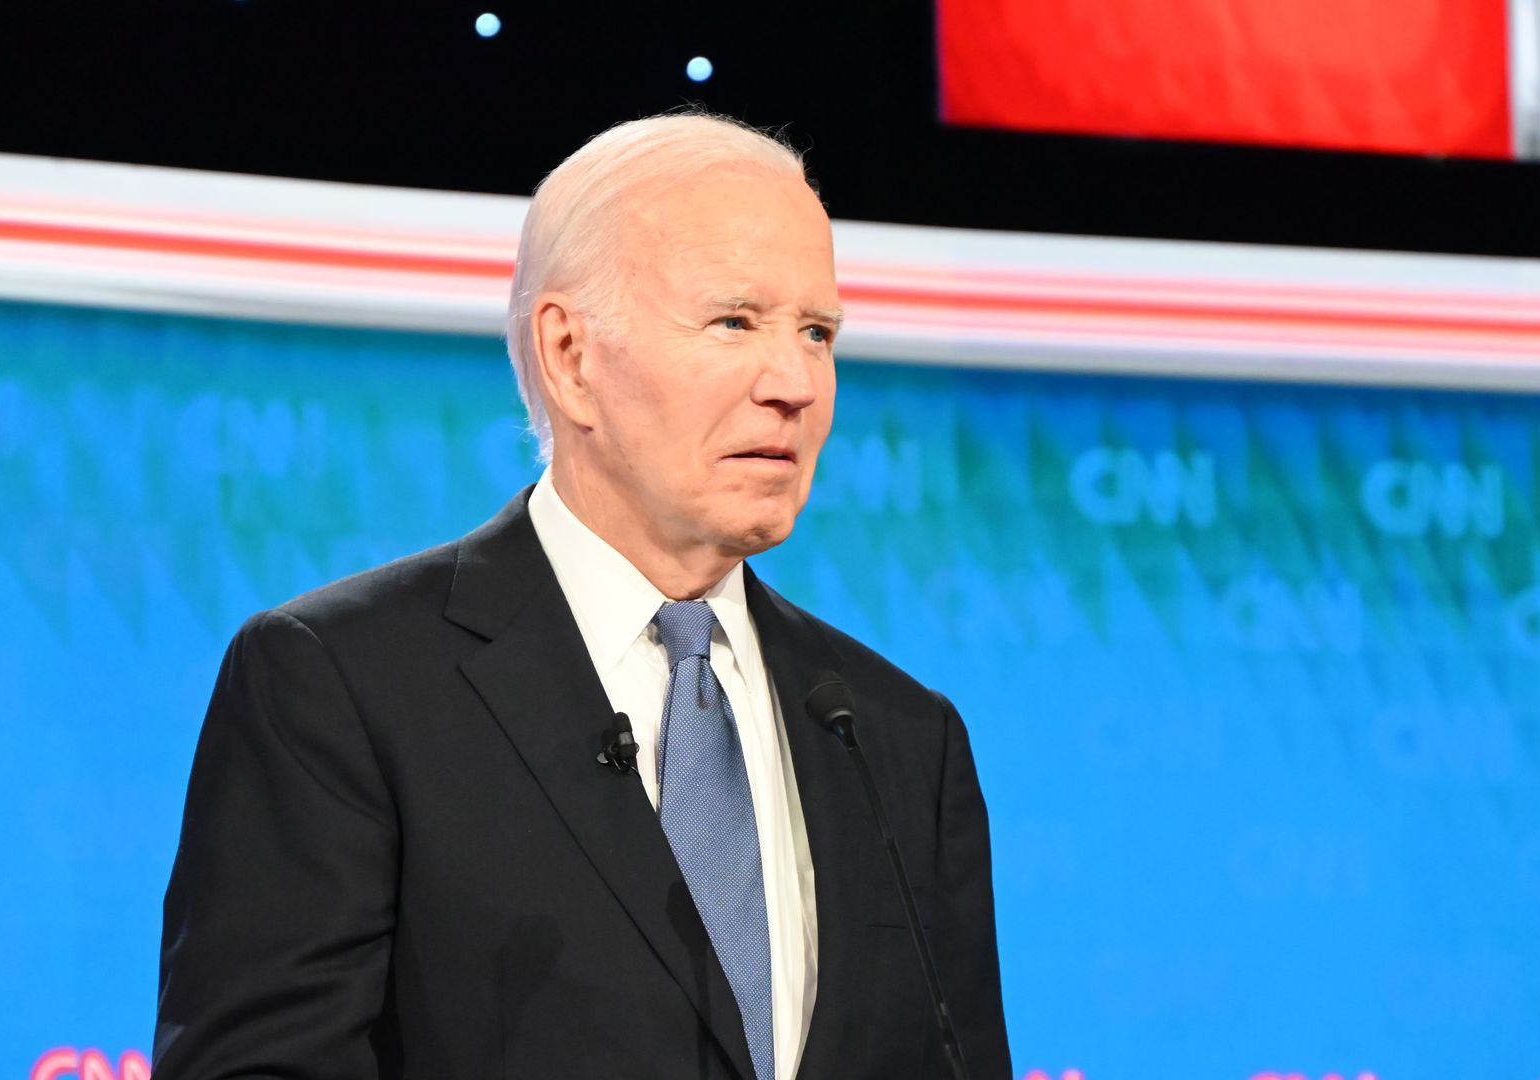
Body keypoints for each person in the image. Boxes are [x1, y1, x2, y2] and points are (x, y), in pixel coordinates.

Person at [154, 112, 1010, 1080]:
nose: (795, 383)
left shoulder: (899, 738)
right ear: (571, 356)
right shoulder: (340, 686)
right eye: (734, 321)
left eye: (817, 332)